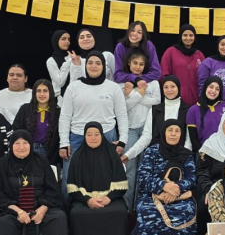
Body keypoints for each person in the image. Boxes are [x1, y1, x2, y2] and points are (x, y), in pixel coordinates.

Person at [133, 120, 197, 235]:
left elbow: (191, 178)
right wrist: (163, 186)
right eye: (170, 130)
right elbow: (143, 177)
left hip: (179, 196)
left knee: (187, 210)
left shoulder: (186, 154)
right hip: (153, 195)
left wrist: (175, 189)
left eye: (177, 131)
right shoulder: (152, 152)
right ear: (163, 133)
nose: (173, 134)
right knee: (145, 211)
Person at [59, 51, 128, 194]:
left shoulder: (113, 87)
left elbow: (122, 115)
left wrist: (122, 141)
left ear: (103, 66)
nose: (94, 66)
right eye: (90, 63)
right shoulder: (73, 87)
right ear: (85, 65)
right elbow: (65, 116)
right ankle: (68, 208)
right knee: (68, 180)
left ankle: (105, 207)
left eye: (98, 63)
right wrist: (64, 143)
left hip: (107, 136)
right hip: (78, 137)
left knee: (106, 179)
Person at [66, 121, 128, 235]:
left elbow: (122, 184)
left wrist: (108, 198)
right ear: (84, 136)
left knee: (117, 212)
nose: (93, 138)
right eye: (89, 135)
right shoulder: (77, 157)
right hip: (84, 199)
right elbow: (72, 187)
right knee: (77, 215)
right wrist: (88, 200)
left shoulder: (112, 155)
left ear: (102, 136)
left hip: (110, 198)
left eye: (96, 134)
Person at [121, 49, 161, 209]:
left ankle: (140, 206)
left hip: (147, 129)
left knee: (144, 169)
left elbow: (157, 101)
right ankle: (126, 207)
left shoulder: (153, 83)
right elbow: (124, 107)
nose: (138, 66)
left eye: (141, 64)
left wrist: (134, 94)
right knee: (129, 168)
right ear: (129, 63)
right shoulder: (123, 83)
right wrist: (139, 95)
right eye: (135, 63)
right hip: (130, 129)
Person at [123, 74, 190, 164]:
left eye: (173, 86)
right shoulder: (155, 110)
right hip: (156, 157)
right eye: (166, 87)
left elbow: (188, 140)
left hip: (179, 156)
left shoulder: (187, 110)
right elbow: (146, 137)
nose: (169, 90)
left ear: (178, 88)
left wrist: (183, 158)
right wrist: (128, 154)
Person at [12, 79, 61, 166]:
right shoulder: (25, 109)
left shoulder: (58, 112)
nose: (42, 94)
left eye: (45, 91)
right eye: (38, 91)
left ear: (51, 92)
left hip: (49, 153)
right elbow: (16, 130)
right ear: (34, 93)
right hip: (27, 151)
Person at [159, 23, 204, 106]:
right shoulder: (171, 52)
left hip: (195, 101)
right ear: (180, 36)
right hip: (175, 100)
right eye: (185, 35)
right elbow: (164, 74)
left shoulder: (199, 55)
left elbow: (204, 78)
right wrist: (171, 90)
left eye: (191, 35)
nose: (188, 38)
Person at [186, 77, 225, 151]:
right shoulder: (193, 110)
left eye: (217, 89)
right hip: (203, 152)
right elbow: (194, 140)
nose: (213, 91)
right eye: (211, 87)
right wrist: (202, 153)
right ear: (205, 87)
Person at [114, 20, 162, 86]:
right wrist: (134, 79)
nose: (134, 34)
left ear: (143, 35)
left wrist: (139, 80)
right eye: (132, 30)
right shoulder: (120, 47)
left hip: (145, 82)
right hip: (125, 83)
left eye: (139, 32)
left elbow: (156, 73)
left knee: (155, 84)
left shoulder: (149, 45)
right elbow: (117, 75)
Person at [46, 29, 72, 103]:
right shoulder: (51, 60)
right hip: (60, 100)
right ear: (56, 41)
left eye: (68, 39)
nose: (67, 42)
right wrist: (68, 63)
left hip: (74, 96)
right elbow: (60, 82)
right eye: (63, 39)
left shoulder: (71, 57)